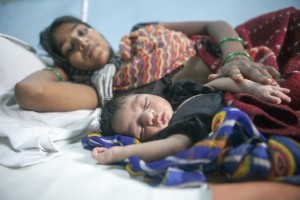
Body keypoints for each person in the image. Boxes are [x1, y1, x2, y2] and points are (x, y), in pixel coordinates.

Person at [13, 14, 281, 112]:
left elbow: (215, 24)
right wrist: (58, 69)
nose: (82, 42)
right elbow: (31, 91)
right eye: (70, 48)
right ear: (70, 64)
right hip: (229, 87)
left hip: (242, 46)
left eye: (81, 31)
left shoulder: (140, 30)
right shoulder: (103, 90)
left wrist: (236, 55)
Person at [92, 76, 291, 164]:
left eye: (144, 104)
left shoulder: (180, 93)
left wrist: (253, 88)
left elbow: (217, 83)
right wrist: (117, 154)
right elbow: (174, 146)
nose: (148, 117)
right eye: (140, 130)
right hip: (247, 115)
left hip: (252, 97)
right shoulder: (177, 130)